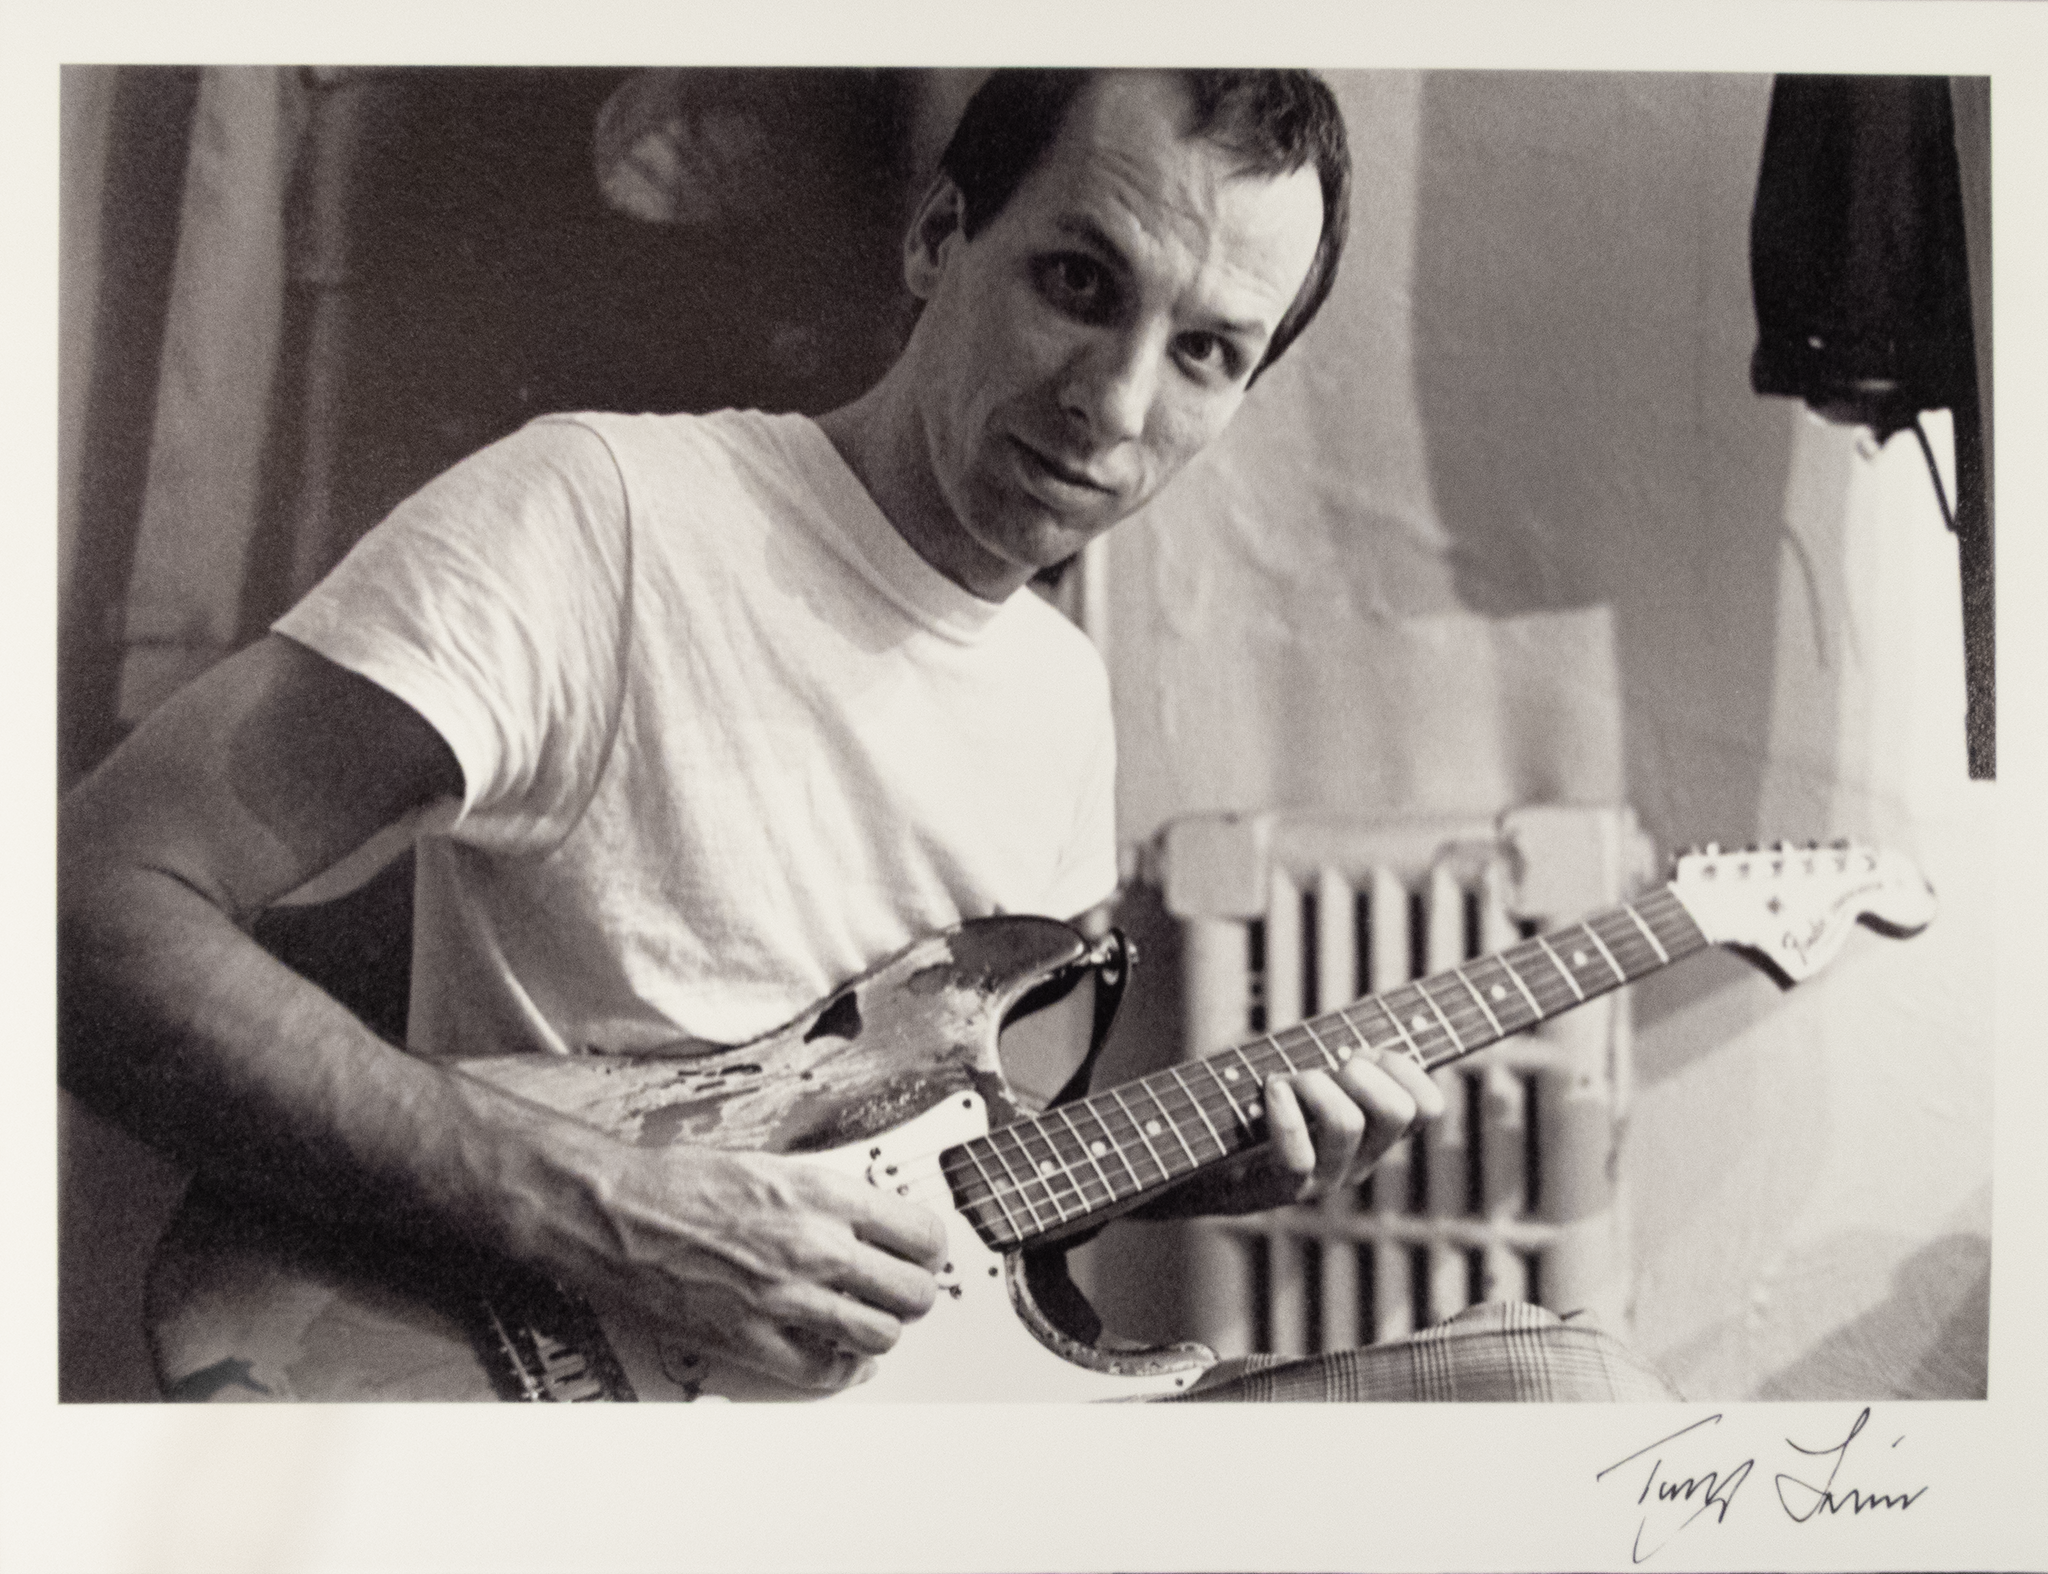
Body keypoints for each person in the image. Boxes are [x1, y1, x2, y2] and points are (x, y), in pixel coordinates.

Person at [59, 67, 1674, 1402]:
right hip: (553, 1401)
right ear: (936, 235)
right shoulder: (606, 515)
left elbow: (939, 1182)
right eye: (1079, 282)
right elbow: (82, 908)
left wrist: (1196, 1165)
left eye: (1205, 353)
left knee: (1566, 1399)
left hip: (905, 1442)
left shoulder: (1058, 701)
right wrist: (608, 1212)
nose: (1114, 409)